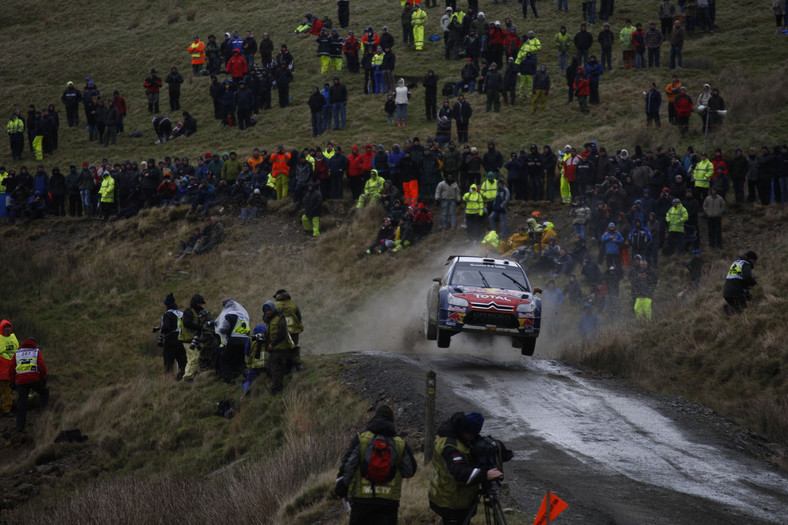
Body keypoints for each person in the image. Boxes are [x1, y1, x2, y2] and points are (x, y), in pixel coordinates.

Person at [335, 405, 417, 525]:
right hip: (388, 503)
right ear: (392, 421)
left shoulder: (362, 438)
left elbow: (349, 465)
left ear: (375, 418)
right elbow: (409, 470)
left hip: (362, 500)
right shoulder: (400, 443)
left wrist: (341, 488)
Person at [429, 412, 505, 525]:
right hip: (451, 501)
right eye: (472, 434)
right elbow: (459, 474)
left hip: (447, 496)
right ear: (465, 431)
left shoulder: (449, 435)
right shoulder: (451, 447)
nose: (472, 438)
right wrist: (485, 475)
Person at [9, 339, 49, 433]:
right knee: (44, 392)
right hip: (34, 379)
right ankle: (43, 413)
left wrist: (12, 382)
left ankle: (20, 426)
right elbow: (42, 366)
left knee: (22, 403)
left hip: (21, 381)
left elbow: (11, 368)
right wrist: (43, 378)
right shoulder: (35, 352)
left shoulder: (17, 353)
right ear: (34, 344)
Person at [261, 300, 295, 394]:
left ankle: (276, 389)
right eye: (265, 310)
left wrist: (272, 344)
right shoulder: (270, 319)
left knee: (275, 368)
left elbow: (282, 333)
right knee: (272, 367)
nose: (267, 312)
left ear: (272, 309)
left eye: (269, 309)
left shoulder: (280, 318)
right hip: (275, 348)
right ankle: (279, 386)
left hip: (280, 347)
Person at [216, 299, 251, 384]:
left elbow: (224, 329)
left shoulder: (230, 315)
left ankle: (230, 379)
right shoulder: (243, 315)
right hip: (244, 340)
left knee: (224, 361)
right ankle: (246, 373)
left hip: (233, 341)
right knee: (240, 360)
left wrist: (217, 329)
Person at [274, 289, 305, 371]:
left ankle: (284, 368)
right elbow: (299, 318)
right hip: (293, 331)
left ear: (279, 295)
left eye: (276, 296)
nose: (275, 298)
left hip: (281, 331)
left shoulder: (274, 306)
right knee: (294, 347)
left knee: (281, 349)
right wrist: (300, 328)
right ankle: (298, 365)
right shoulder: (293, 305)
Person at [158, 293, 186, 380]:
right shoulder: (181, 313)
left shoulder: (167, 314)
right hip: (182, 338)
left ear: (166, 305)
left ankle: (169, 379)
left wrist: (161, 330)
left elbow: (166, 327)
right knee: (183, 361)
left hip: (171, 339)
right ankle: (184, 376)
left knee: (168, 361)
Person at [179, 294, 206, 382]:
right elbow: (186, 323)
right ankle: (187, 378)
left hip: (198, 340)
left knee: (199, 358)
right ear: (195, 303)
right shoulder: (189, 312)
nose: (200, 305)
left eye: (201, 304)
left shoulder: (202, 312)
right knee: (194, 359)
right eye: (199, 303)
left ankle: (194, 375)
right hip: (188, 340)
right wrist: (199, 327)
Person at [0, 319, 20, 417]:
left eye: (8, 327)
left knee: (9, 392)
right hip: (1, 370)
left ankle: (7, 410)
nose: (7, 329)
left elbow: (18, 351)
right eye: (5, 327)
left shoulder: (13, 338)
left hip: (10, 371)